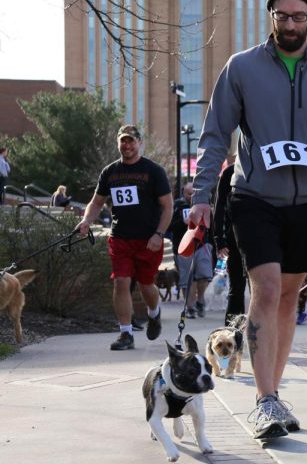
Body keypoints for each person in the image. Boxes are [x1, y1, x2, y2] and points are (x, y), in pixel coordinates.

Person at [189, 0, 307, 440]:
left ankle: (274, 392)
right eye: (283, 14)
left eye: (300, 16)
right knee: (266, 287)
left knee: (288, 295)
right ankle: (264, 401)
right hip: (254, 196)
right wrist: (201, 197)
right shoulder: (241, 68)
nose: (291, 23)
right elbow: (216, 135)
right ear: (271, 15)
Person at [74, 125, 173, 350]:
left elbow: (167, 206)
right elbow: (97, 202)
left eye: (131, 141)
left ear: (139, 143)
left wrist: (159, 234)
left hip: (148, 239)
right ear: (118, 143)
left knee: (147, 285)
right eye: (123, 141)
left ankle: (153, 313)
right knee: (121, 282)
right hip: (120, 238)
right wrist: (87, 221)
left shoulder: (153, 171)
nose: (126, 145)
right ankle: (126, 334)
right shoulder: (110, 172)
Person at [171, 182, 214, 318]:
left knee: (204, 275)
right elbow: (169, 226)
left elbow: (212, 224)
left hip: (202, 244)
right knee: (187, 279)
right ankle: (190, 307)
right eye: (188, 194)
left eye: (193, 193)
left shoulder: (204, 204)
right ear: (183, 193)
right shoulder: (178, 206)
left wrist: (214, 243)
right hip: (184, 246)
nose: (191, 196)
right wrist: (181, 223)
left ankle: (200, 300)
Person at [213, 161, 247, 324]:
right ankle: (233, 332)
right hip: (236, 238)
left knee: (264, 290)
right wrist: (219, 239)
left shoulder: (268, 167)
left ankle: (260, 335)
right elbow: (219, 206)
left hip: (264, 237)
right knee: (237, 288)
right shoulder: (230, 172)